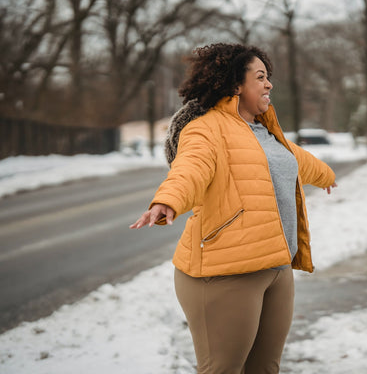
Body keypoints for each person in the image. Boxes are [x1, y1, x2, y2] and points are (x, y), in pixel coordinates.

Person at [130, 43, 337, 374]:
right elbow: (190, 168)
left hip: (277, 269)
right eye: (260, 77)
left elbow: (294, 159)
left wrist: (325, 174)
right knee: (222, 369)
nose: (268, 84)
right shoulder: (205, 129)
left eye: (268, 77)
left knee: (265, 369)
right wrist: (167, 200)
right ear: (235, 85)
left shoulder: (265, 130)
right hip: (225, 273)